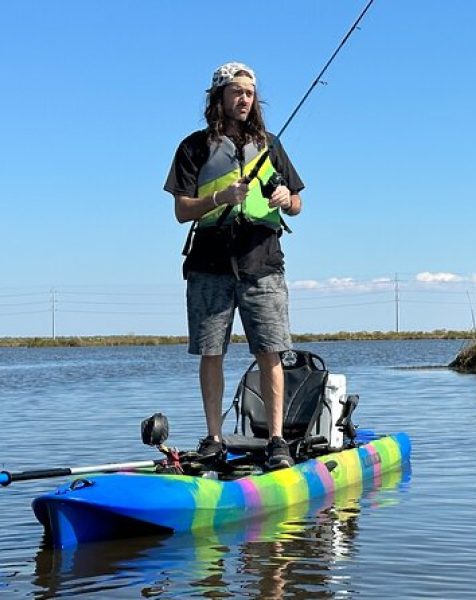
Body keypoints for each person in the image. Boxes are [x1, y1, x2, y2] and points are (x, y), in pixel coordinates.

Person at [163, 62, 304, 470]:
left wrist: (285, 200)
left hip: (262, 264)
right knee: (211, 352)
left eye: (249, 93)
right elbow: (180, 210)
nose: (244, 100)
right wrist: (219, 197)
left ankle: (276, 440)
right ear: (219, 98)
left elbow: (297, 205)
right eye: (236, 92)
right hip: (209, 264)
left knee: (271, 352)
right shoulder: (193, 147)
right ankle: (214, 437)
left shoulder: (271, 144)